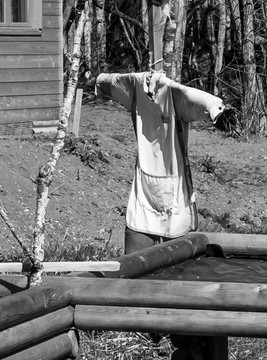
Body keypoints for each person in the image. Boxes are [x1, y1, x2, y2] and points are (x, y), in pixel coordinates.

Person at [95, 72, 237, 251]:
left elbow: (192, 98)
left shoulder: (168, 93)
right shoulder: (139, 87)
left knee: (173, 263)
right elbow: (109, 83)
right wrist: (218, 109)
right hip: (146, 190)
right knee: (139, 260)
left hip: (171, 190)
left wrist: (218, 110)